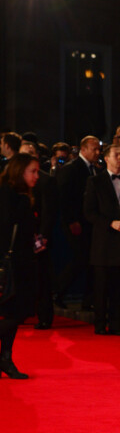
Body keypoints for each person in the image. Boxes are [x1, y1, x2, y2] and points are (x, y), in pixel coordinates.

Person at [84, 144, 120, 335]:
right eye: (116, 154)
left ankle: (116, 324)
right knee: (101, 286)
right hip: (104, 241)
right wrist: (110, 223)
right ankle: (100, 324)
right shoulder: (95, 181)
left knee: (119, 286)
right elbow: (89, 212)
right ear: (107, 158)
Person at [0, 154, 45, 379]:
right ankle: (5, 358)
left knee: (15, 312)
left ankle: (6, 358)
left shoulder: (23, 195)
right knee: (13, 311)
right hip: (10, 265)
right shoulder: (8, 195)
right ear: (20, 171)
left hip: (22, 263)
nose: (37, 176)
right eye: (33, 171)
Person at [54, 136, 101, 309]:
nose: (97, 153)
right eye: (94, 149)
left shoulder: (95, 169)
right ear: (83, 149)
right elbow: (64, 197)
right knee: (82, 259)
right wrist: (72, 220)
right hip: (75, 223)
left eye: (98, 150)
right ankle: (57, 292)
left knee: (91, 261)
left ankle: (88, 301)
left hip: (90, 223)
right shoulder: (71, 168)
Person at [19, 142, 59, 329]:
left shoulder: (45, 180)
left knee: (42, 278)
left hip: (37, 238)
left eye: (31, 153)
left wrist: (42, 236)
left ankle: (44, 316)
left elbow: (49, 211)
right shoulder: (10, 181)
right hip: (17, 237)